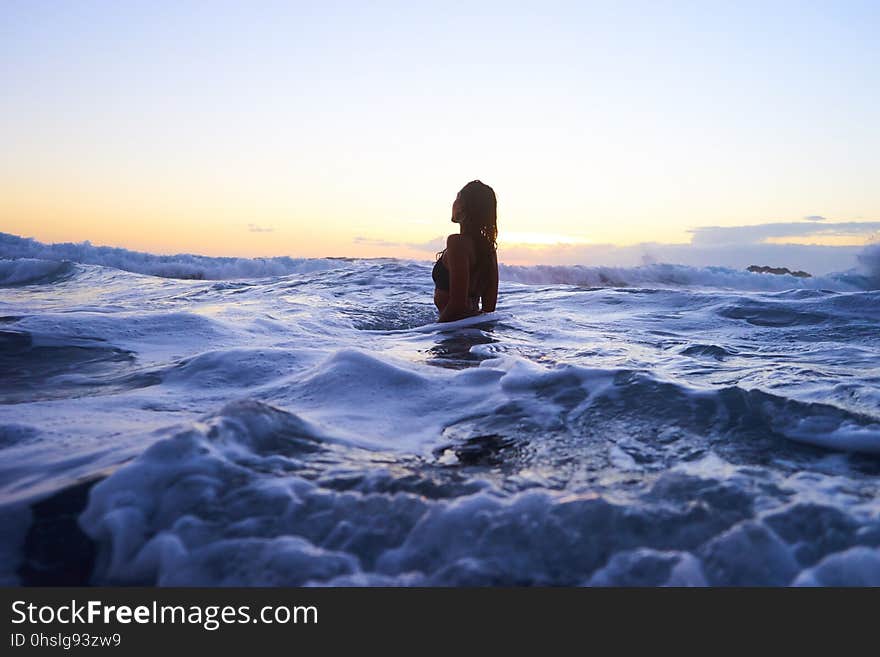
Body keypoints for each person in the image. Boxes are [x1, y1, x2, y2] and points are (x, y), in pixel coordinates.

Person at [432, 180, 499, 322]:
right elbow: (489, 309)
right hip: (470, 332)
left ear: (463, 206)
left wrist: (431, 332)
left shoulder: (457, 242)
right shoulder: (488, 250)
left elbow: (458, 305)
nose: (453, 203)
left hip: (452, 332)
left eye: (457, 198)